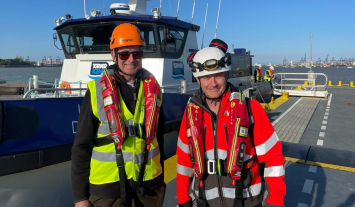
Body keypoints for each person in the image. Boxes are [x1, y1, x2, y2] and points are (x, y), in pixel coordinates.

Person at [177, 39, 285, 207]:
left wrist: (275, 201)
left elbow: (274, 159)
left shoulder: (251, 109)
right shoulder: (191, 114)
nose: (212, 83)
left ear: (227, 74)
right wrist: (183, 199)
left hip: (247, 201)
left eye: (218, 75)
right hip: (204, 201)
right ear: (197, 79)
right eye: (205, 77)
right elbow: (184, 162)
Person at [72, 23, 166, 207]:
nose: (131, 59)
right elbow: (81, 147)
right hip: (108, 191)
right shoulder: (95, 91)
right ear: (113, 55)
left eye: (136, 53)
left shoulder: (154, 89)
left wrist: (160, 180)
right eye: (124, 54)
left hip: (149, 189)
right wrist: (80, 198)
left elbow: (158, 137)